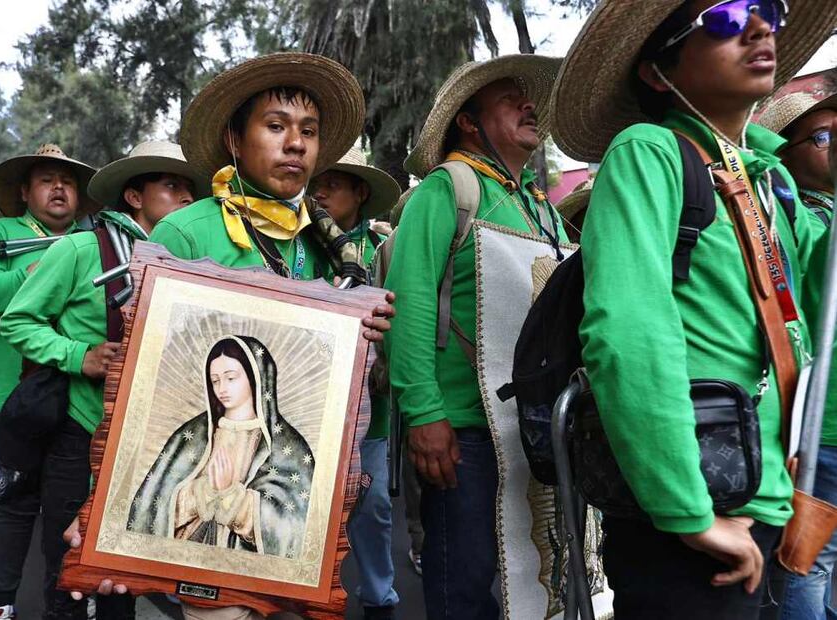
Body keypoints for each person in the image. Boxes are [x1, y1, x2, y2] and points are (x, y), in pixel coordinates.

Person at [67, 52, 395, 620]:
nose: (296, 144)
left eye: (309, 132)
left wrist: (364, 334)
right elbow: (140, 390)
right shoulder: (185, 233)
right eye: (276, 126)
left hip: (288, 538)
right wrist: (104, 506)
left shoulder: (327, 247)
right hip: (197, 543)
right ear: (235, 141)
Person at [549, 1, 836, 617]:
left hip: (763, 496)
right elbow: (628, 333)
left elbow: (819, 305)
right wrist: (687, 510)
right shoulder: (649, 152)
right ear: (659, 72)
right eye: (726, 17)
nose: (760, 27)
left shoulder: (771, 183)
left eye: (768, 9)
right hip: (693, 503)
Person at [382, 53, 565, 619]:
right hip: (463, 431)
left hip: (531, 430)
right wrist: (424, 414)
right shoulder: (448, 190)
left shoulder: (544, 211)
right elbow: (408, 305)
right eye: (512, 98)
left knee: (535, 583)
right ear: (469, 120)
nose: (530, 106)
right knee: (463, 582)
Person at [0, 140, 205, 620]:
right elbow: (18, 320)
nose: (185, 198)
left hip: (149, 442)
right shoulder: (79, 248)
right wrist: (79, 355)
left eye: (189, 190)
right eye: (171, 185)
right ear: (133, 196)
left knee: (123, 574)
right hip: (80, 429)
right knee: (68, 568)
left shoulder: (191, 261)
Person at [0, 144, 99, 620]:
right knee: (15, 503)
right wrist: (35, 272)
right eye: (46, 179)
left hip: (83, 399)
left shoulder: (93, 239)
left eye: (67, 181)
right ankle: (0, 603)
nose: (59, 188)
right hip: (14, 396)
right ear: (24, 192)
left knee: (70, 513)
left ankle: (64, 603)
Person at [311, 147, 401, 619]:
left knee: (373, 507)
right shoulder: (301, 243)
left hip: (372, 410)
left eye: (335, 183)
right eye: (317, 181)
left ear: (361, 193)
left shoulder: (387, 249)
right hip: (311, 403)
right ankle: (308, 594)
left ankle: (379, 597)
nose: (320, 190)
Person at [130, 335, 314, 558]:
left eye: (231, 378)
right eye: (215, 380)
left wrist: (232, 496)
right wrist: (203, 493)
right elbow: (152, 505)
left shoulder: (287, 448)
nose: (222, 388)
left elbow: (293, 526)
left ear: (255, 377)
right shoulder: (193, 435)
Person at [759, 91, 837, 619]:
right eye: (824, 137)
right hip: (823, 426)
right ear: (786, 157)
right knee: (810, 563)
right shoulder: (796, 215)